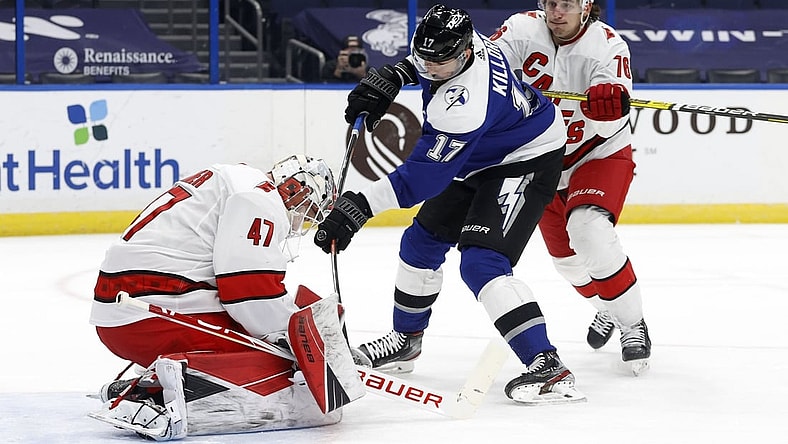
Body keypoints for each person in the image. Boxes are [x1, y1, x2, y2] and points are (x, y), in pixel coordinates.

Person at [314, 4, 585, 405]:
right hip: (480, 152)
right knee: (419, 244)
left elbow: (423, 178)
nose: (429, 67)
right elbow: (428, 61)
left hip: (526, 157)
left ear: (465, 54)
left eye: (438, 62)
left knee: (482, 263)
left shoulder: (463, 105)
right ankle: (406, 341)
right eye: (422, 56)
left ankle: (548, 365)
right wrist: (398, 73)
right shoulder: (463, 44)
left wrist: (358, 206)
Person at [88, 155, 364, 440]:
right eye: (308, 209)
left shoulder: (238, 179)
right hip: (151, 311)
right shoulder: (260, 199)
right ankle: (160, 391)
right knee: (278, 361)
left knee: (262, 336)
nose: (302, 220)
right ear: (295, 189)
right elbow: (248, 292)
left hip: (125, 309)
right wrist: (301, 344)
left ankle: (155, 382)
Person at [490, 0, 651, 375]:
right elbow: (483, 69)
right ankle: (608, 308)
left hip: (597, 152)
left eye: (566, 4)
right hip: (542, 158)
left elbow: (611, 124)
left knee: (588, 230)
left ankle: (633, 324)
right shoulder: (520, 29)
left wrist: (606, 109)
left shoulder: (607, 46)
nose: (556, 12)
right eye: (551, 3)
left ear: (586, 7)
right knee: (567, 263)